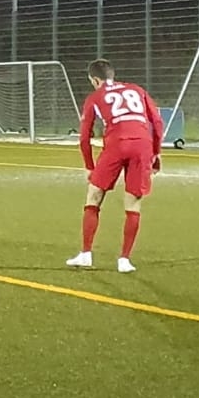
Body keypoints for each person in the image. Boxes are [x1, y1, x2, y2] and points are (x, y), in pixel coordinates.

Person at [66, 59, 163, 273]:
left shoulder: (94, 97)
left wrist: (89, 166)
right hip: (142, 145)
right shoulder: (136, 89)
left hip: (116, 144)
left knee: (94, 196)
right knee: (133, 203)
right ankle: (124, 260)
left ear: (95, 80)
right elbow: (157, 122)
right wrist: (156, 153)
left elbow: (84, 136)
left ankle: (86, 254)